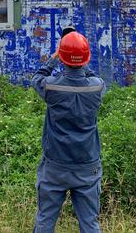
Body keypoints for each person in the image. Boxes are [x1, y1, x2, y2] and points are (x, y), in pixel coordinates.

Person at [32, 31, 106, 233]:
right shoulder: (97, 88)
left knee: (45, 220)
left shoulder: (51, 87)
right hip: (87, 166)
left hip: (55, 166)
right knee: (90, 223)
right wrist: (79, 59)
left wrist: (55, 57)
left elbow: (37, 78)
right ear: (86, 59)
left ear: (61, 57)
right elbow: (92, 76)